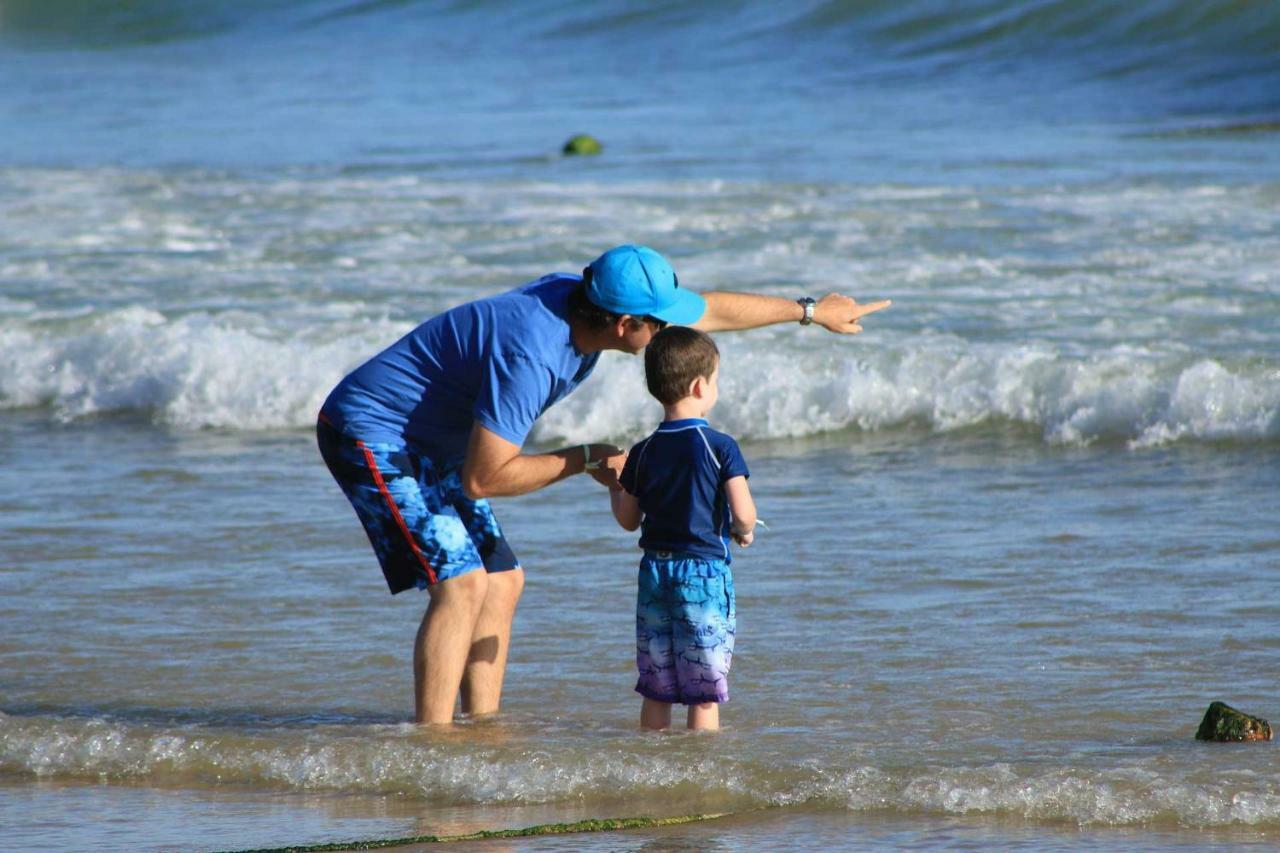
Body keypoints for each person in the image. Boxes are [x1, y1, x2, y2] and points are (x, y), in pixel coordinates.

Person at [317, 243, 890, 725]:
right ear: (623, 325)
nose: (670, 329)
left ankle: (481, 731)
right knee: (462, 585)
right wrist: (586, 458)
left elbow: (710, 310)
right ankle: (435, 744)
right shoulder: (532, 354)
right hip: (372, 433)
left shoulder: (586, 299)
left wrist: (809, 312)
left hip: (436, 437)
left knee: (504, 579)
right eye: (659, 323)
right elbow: (485, 477)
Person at [609, 326, 754, 731]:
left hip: (655, 573)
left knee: (658, 686)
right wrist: (743, 530)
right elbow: (743, 514)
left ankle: (654, 768)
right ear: (698, 386)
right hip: (702, 576)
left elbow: (627, 520)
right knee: (702, 691)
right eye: (716, 380)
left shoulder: (644, 450)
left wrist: (612, 485)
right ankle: (698, 780)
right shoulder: (720, 445)